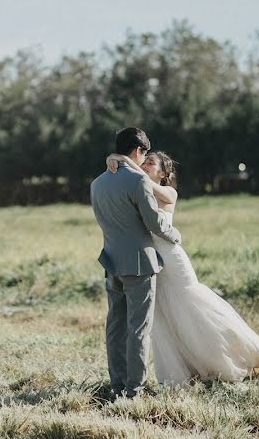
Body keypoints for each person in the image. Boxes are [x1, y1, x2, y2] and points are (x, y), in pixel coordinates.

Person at [106, 150, 259, 386]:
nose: (145, 166)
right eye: (144, 161)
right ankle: (186, 371)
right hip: (152, 262)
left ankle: (234, 357)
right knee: (166, 316)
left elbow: (142, 181)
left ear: (163, 173)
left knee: (193, 308)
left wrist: (125, 160)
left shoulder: (169, 193)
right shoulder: (141, 193)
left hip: (172, 259)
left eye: (151, 163)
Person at [90, 128, 182, 398]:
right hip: (140, 264)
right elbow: (154, 222)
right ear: (138, 151)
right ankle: (134, 389)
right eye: (144, 155)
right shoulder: (137, 182)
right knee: (138, 328)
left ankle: (117, 384)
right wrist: (174, 234)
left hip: (110, 261)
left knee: (115, 327)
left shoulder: (96, 184)